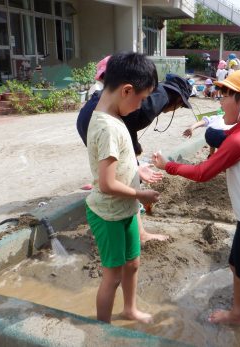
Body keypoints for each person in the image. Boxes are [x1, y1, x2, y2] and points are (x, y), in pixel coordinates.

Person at [153, 68, 240, 347]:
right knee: (236, 266)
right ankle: (236, 313)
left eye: (225, 96)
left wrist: (167, 166)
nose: (219, 101)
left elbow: (202, 173)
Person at [77, 59, 192, 243]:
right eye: (142, 99)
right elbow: (126, 122)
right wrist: (135, 165)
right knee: (124, 177)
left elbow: (127, 124)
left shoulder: (152, 98)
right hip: (95, 121)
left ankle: (137, 230)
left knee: (125, 172)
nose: (141, 103)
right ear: (177, 99)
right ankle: (137, 232)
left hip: (88, 116)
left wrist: (135, 162)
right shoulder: (158, 99)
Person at [85, 52, 160, 324]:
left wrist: (136, 170)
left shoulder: (114, 118)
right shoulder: (106, 127)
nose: (141, 106)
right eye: (140, 99)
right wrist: (141, 194)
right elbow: (106, 183)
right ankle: (102, 327)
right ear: (127, 90)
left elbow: (119, 165)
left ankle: (129, 309)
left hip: (125, 210)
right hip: (108, 214)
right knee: (113, 274)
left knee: (133, 263)